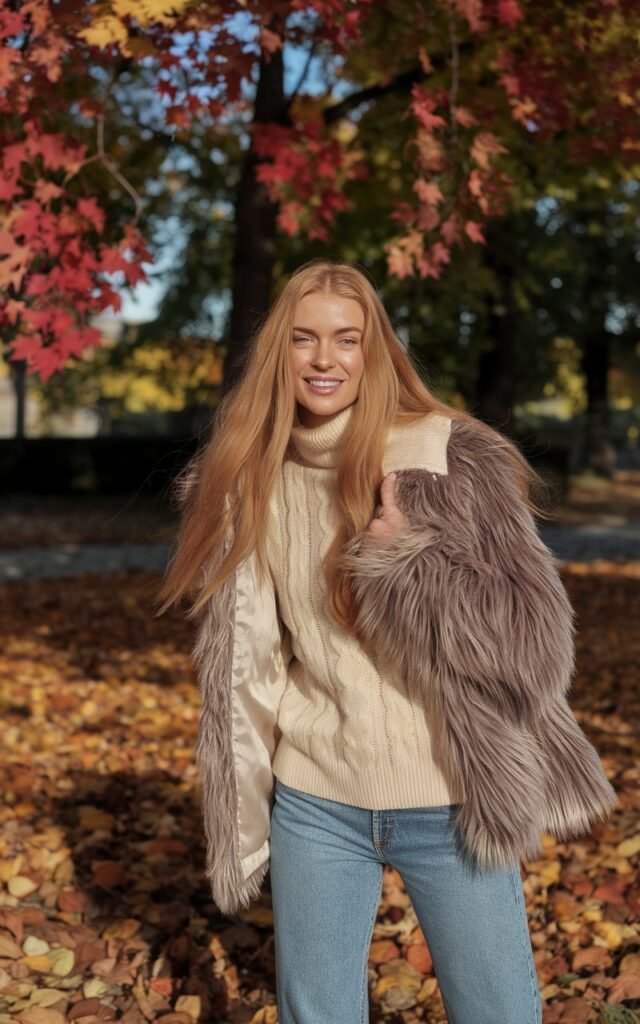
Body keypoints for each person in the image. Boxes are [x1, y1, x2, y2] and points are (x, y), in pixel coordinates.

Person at [155, 258, 617, 1024]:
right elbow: (251, 660)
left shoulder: (445, 456)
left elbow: (536, 648)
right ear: (280, 351)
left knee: (498, 1010)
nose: (326, 359)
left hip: (449, 796)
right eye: (304, 339)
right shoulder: (244, 476)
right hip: (316, 800)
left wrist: (410, 565)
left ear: (376, 350)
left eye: (348, 338)